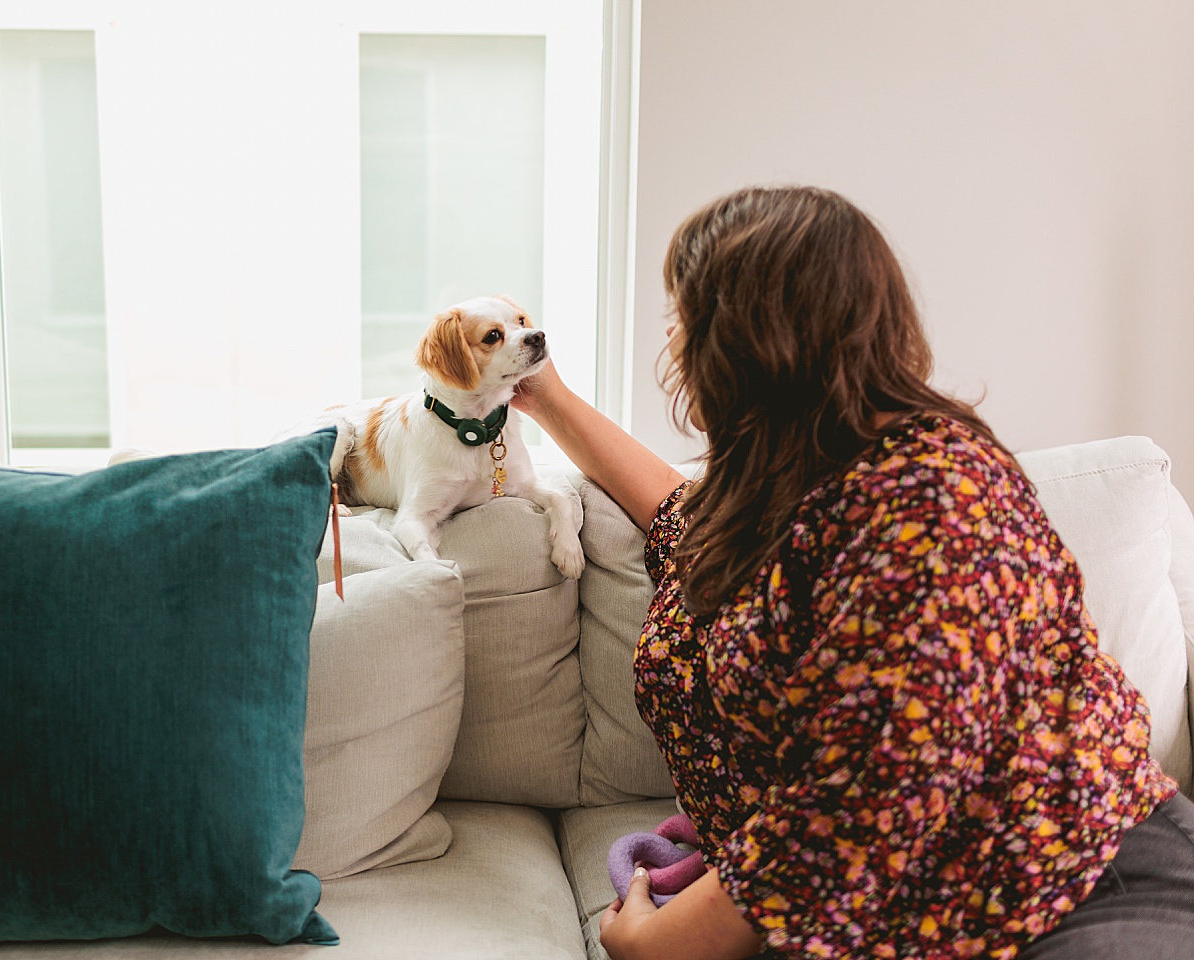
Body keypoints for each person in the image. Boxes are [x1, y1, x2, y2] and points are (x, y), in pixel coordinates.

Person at [511, 185, 1194, 960]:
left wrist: (662, 944)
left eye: (686, 315)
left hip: (1070, 876)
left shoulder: (939, 492)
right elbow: (679, 518)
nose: (670, 339)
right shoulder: (784, 482)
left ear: (751, 340)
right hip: (888, 911)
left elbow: (877, 788)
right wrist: (545, 395)